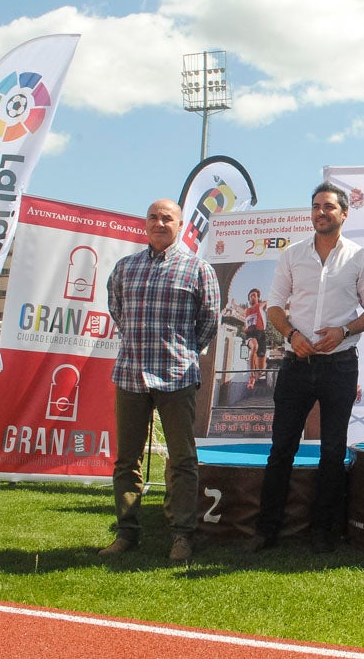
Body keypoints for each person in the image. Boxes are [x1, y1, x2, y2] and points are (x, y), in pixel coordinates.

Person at [246, 182, 364, 553]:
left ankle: (324, 531)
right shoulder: (292, 255)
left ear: (343, 213)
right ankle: (266, 529)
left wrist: (344, 330)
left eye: (329, 207)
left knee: (333, 451)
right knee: (281, 448)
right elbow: (274, 306)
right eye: (316, 206)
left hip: (340, 365)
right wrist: (290, 334)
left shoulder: (359, 257)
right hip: (297, 363)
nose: (321, 212)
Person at [101, 199, 221, 562]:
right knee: (127, 460)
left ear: (180, 224)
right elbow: (117, 310)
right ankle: (126, 533)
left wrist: (181, 352)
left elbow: (209, 323)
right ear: (146, 223)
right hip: (130, 375)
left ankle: (182, 535)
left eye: (166, 218)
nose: (158, 222)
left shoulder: (198, 269)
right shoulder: (125, 268)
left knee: (182, 459)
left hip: (177, 377)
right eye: (153, 217)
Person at [244, 288, 268, 389]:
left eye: (254, 295)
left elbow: (272, 303)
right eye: (250, 296)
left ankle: (258, 373)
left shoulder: (261, 306)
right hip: (251, 334)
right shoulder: (247, 311)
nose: (252, 297)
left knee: (261, 369)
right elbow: (244, 323)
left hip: (261, 334)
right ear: (248, 299)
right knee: (254, 347)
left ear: (258, 297)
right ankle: (252, 377)